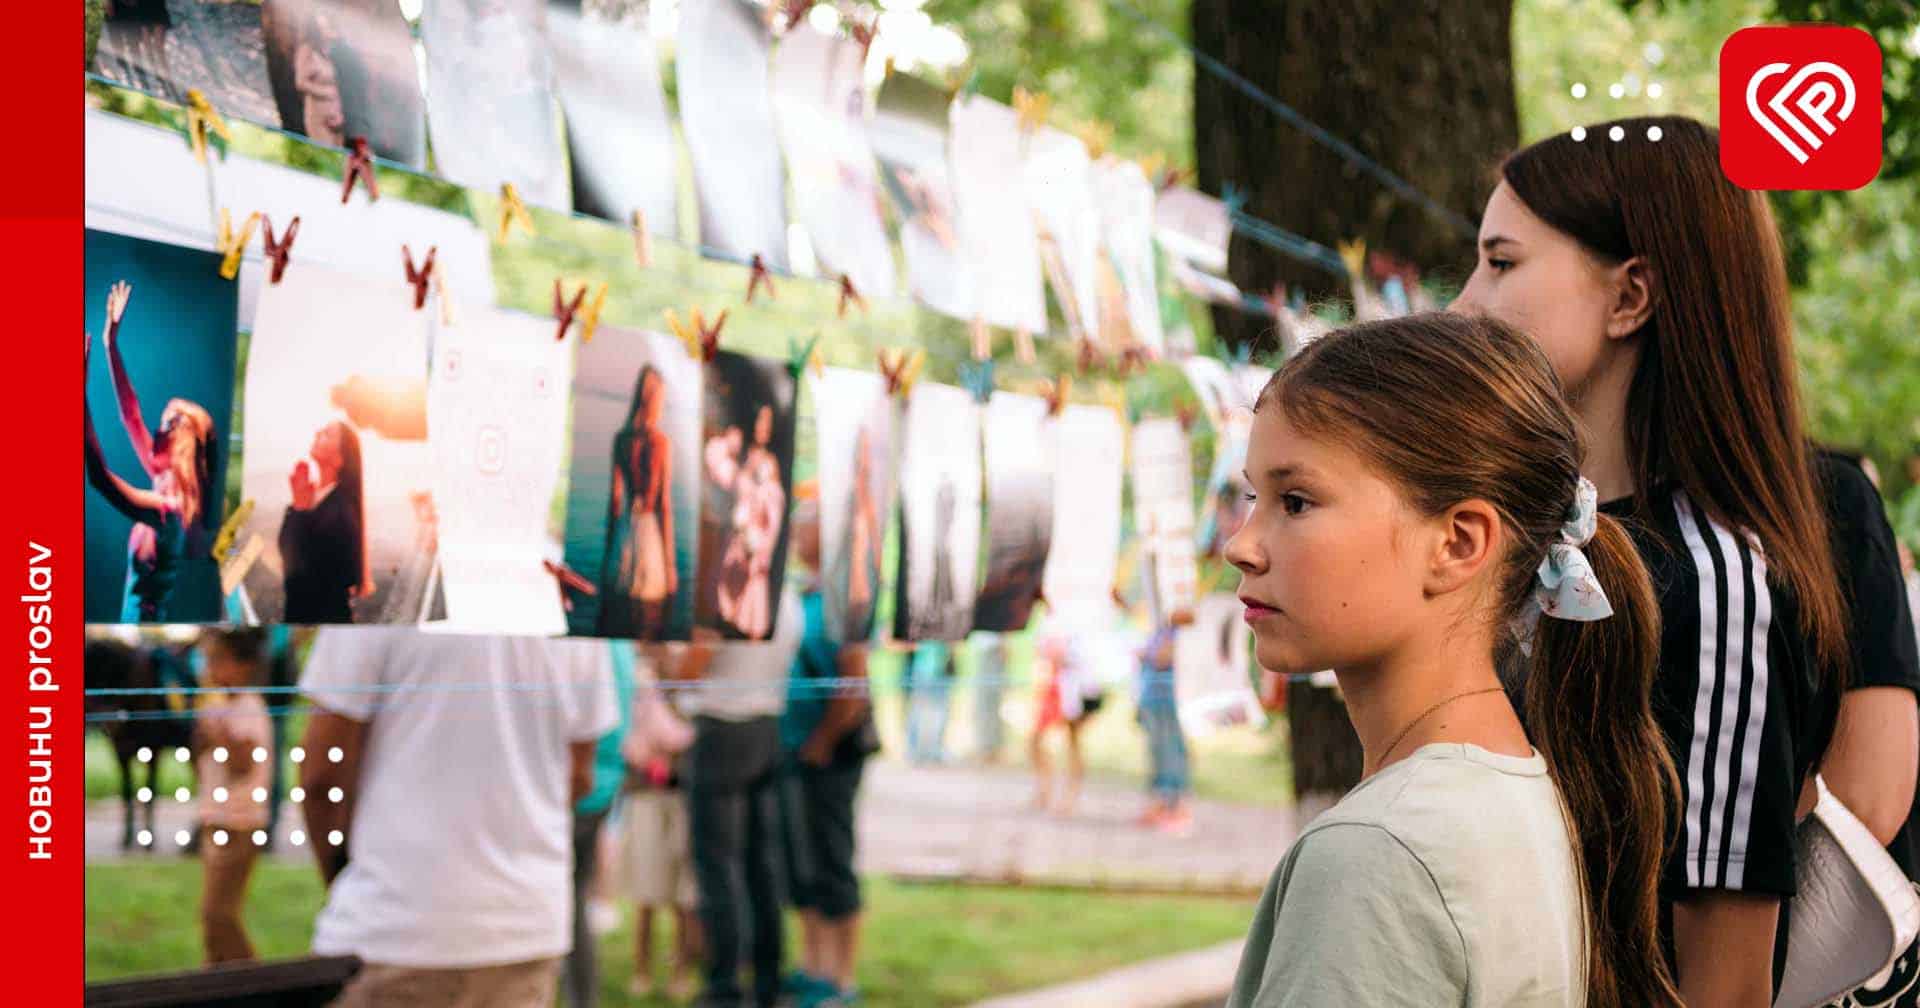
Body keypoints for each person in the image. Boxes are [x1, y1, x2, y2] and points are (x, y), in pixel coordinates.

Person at [1452, 116, 1897, 1005]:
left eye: (1502, 263)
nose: (1465, 303)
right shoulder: (1512, 532)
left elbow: (1727, 970)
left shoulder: (1718, 574)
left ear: (1631, 297)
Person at [1225, 313, 1678, 1007]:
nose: (1243, 545)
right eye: (1254, 498)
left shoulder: (1377, 851)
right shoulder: (1527, 795)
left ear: (1460, 543)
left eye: (1295, 501)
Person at [298, 630, 617, 1007]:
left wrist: (340, 876)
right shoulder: (569, 595)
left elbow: (321, 776)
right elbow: (579, 775)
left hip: (395, 930)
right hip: (522, 929)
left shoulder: (373, 588)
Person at [672, 586, 805, 1008]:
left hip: (722, 728)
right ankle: (768, 980)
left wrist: (668, 664)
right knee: (760, 864)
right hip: (764, 725)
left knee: (719, 865)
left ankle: (725, 985)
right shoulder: (786, 594)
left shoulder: (729, 588)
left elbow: (693, 665)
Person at [780, 495, 877, 1008]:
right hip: (798, 750)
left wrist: (821, 742)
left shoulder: (847, 595)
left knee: (834, 858)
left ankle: (841, 976)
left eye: (805, 525)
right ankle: (812, 965)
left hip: (831, 755)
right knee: (805, 860)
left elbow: (852, 686)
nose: (795, 534)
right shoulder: (803, 593)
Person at [84, 281, 221, 623]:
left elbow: (99, 478)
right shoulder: (165, 490)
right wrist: (110, 344)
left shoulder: (170, 512)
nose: (156, 428)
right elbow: (130, 414)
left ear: (183, 443)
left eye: (167, 422)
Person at [622, 645, 701, 1001]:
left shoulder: (695, 677)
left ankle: (681, 969)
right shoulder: (638, 681)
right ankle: (642, 969)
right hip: (647, 795)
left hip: (685, 796)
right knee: (646, 890)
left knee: (684, 894)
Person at [562, 641, 636, 1008]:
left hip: (579, 791)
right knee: (573, 901)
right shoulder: (620, 647)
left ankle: (578, 996)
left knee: (567, 904)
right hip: (603, 786)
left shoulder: (586, 646)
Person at [194, 629, 274, 965]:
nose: (210, 669)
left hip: (239, 821)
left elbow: (242, 765)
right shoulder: (223, 705)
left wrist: (219, 734)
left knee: (218, 915)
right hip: (219, 817)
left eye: (218, 661)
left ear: (245, 666)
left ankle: (252, 983)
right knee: (213, 919)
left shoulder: (248, 708)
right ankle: (215, 980)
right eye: (207, 660)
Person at [602, 365, 679, 639]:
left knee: (619, 607)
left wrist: (607, 553)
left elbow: (614, 502)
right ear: (655, 401)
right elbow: (665, 505)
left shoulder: (621, 440)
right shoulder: (661, 443)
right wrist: (670, 565)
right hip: (648, 537)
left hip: (625, 531)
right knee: (649, 613)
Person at [708, 406, 787, 641]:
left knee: (751, 616)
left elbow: (774, 512)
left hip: (756, 549)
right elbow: (719, 470)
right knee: (725, 614)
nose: (762, 427)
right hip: (735, 544)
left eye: (767, 422)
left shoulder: (769, 463)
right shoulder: (740, 456)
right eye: (759, 421)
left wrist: (763, 549)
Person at [280, 420, 371, 623]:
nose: (317, 432)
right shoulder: (315, 497)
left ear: (339, 459)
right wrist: (297, 505)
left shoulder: (342, 511)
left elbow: (300, 574)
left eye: (327, 434)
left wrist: (300, 511)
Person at [1028, 629, 1103, 816]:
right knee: (1037, 740)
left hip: (1075, 688)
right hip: (1058, 685)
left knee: (1073, 742)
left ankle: (1069, 797)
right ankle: (1045, 791)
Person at [1136, 611, 1193, 835]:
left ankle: (1177, 807)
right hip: (1152, 696)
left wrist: (1150, 654)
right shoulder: (1160, 629)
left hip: (1171, 697)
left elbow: (1162, 657)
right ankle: (1160, 803)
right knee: (1157, 751)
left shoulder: (1183, 632)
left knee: (1172, 751)